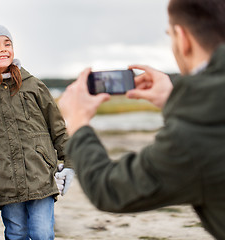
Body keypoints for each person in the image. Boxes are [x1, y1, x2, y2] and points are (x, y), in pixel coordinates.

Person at [58, 0, 225, 239]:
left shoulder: (194, 136)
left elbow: (109, 188)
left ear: (182, 38)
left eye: (170, 35)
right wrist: (173, 98)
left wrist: (78, 122)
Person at [0, 24, 74, 240]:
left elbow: (58, 128)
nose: (3, 49)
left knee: (43, 233)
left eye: (8, 43)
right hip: (4, 180)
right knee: (16, 233)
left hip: (40, 175)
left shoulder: (33, 85)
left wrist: (70, 163)